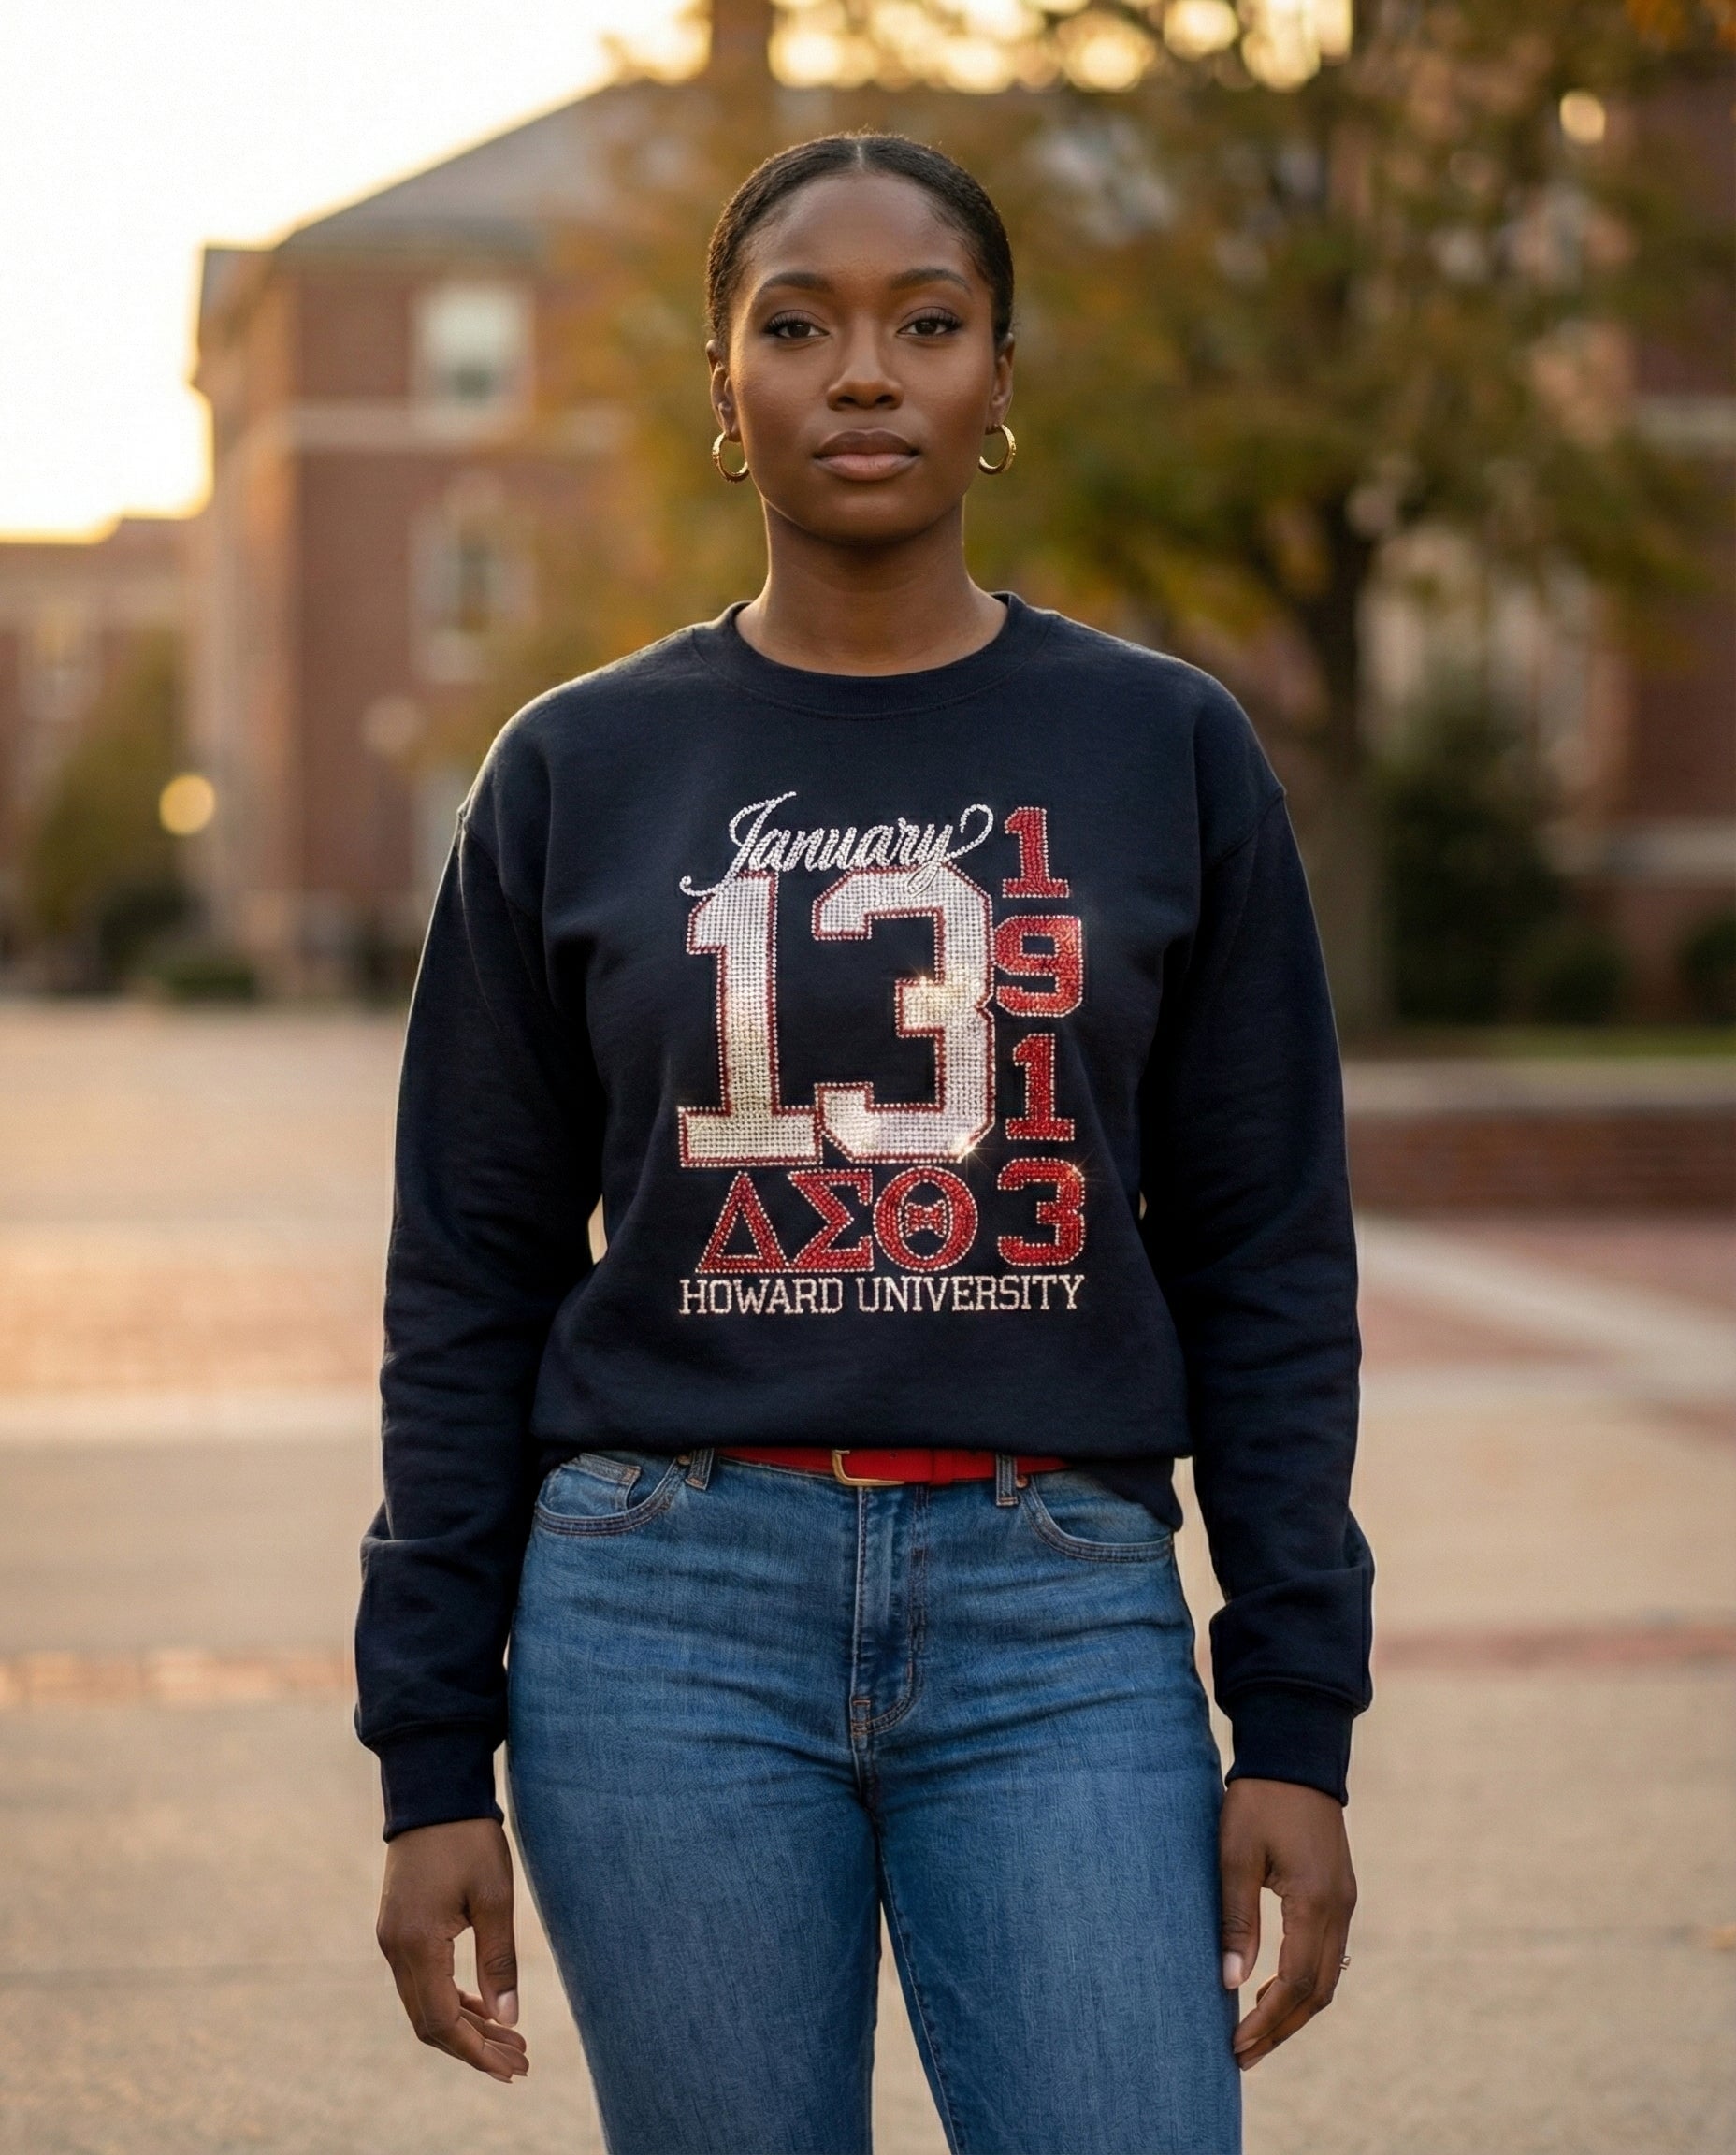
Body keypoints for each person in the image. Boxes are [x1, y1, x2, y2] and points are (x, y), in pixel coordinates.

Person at [359, 131, 1370, 2155]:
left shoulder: (1165, 748)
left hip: (1058, 1604)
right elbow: (468, 1269)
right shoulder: (575, 764)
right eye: (795, 323)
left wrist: (1294, 1722)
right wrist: (427, 1757)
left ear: (1002, 378)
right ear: (718, 387)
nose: (864, 372)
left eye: (929, 322)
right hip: (656, 1616)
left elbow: (1266, 1257)